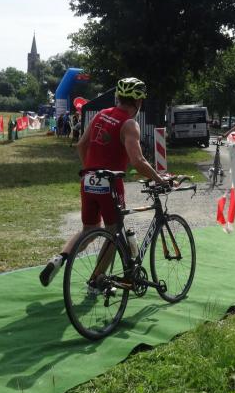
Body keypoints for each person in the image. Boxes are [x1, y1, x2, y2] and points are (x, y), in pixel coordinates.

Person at [40, 77, 169, 287]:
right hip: (110, 183)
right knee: (113, 232)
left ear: (118, 97)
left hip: (88, 178)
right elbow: (138, 161)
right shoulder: (130, 124)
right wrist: (158, 178)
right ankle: (96, 280)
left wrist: (90, 170)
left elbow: (81, 145)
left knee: (89, 229)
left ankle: (60, 258)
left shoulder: (101, 114)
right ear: (138, 102)